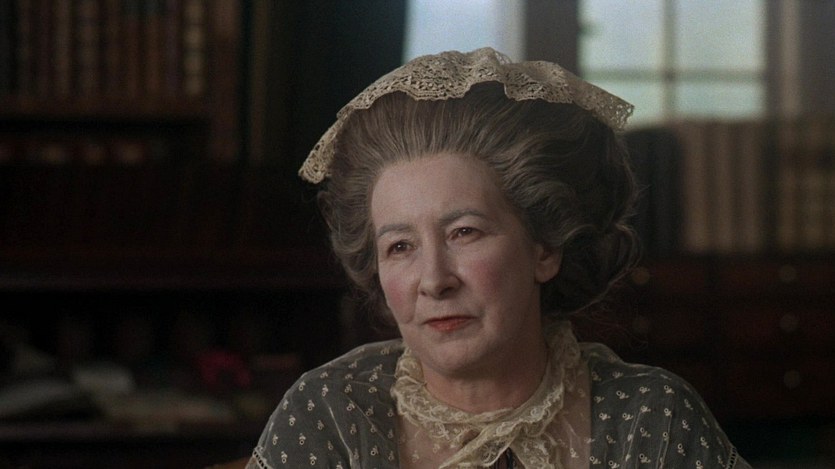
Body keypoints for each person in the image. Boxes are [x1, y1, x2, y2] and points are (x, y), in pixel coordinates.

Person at [247, 48, 750, 468]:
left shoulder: (651, 418)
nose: (434, 280)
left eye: (464, 232)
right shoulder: (328, 415)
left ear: (545, 247)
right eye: (400, 246)